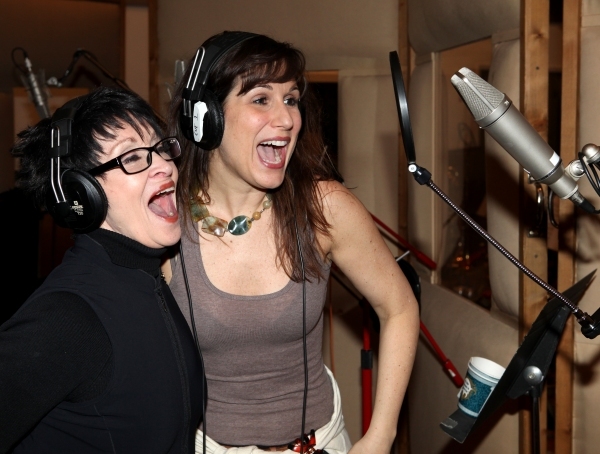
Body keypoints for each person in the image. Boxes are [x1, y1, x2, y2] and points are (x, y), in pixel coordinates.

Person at [165, 31, 419, 454]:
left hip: (320, 443)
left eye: (291, 99)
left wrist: (381, 435)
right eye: (261, 99)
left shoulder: (326, 206)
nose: (286, 119)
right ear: (206, 118)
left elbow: (399, 306)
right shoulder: (165, 221)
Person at [0, 86, 204, 453]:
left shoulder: (150, 284)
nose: (163, 164)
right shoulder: (66, 317)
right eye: (131, 156)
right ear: (82, 193)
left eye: (160, 148)